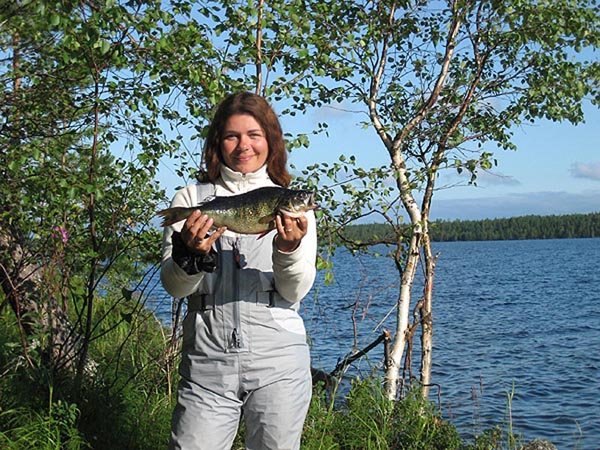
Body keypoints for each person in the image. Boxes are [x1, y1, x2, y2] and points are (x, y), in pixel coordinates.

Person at [160, 92, 317, 450]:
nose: (243, 145)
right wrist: (191, 254)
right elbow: (175, 287)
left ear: (270, 142)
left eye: (254, 135)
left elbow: (294, 292)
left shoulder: (293, 206)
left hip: (279, 361)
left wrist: (288, 247)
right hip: (206, 363)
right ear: (218, 143)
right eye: (232, 136)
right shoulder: (191, 200)